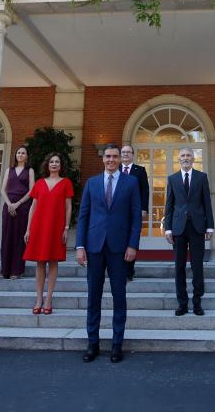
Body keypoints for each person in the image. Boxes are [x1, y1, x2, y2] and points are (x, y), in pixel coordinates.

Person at [76, 144, 141, 363]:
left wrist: (133, 245)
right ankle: (92, 343)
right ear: (103, 159)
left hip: (119, 248)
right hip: (94, 247)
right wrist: (80, 246)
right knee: (93, 297)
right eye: (108, 156)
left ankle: (116, 344)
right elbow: (83, 216)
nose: (111, 160)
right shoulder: (92, 183)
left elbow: (136, 217)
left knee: (119, 297)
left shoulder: (131, 183)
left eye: (115, 156)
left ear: (120, 159)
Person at [163, 147, 214, 316]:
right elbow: (169, 205)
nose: (185, 158)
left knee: (197, 266)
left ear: (193, 159)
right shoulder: (172, 179)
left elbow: (207, 203)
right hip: (178, 228)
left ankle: (197, 303)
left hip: (197, 227)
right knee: (179, 267)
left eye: (188, 155)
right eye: (183, 155)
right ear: (179, 159)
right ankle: (182, 304)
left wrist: (210, 226)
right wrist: (168, 228)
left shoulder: (202, 177)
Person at [23, 152, 73, 315]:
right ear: (47, 164)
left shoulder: (66, 183)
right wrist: (28, 229)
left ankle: (49, 299)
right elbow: (33, 207)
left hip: (56, 227)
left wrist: (66, 228)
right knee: (39, 262)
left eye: (57, 162)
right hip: (38, 226)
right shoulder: (39, 183)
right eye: (52, 162)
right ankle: (39, 299)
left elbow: (68, 207)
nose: (54, 164)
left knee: (53, 261)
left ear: (61, 165)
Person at [0, 146, 35, 279]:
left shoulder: (30, 171)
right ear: (15, 155)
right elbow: (3, 190)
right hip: (8, 206)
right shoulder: (9, 170)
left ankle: (17, 270)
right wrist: (9, 204)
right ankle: (5, 271)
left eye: (23, 153)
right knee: (7, 237)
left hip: (23, 206)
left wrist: (18, 204)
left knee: (19, 238)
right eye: (18, 152)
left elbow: (32, 191)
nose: (20, 155)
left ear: (27, 156)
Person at [120, 144, 149, 282]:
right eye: (123, 152)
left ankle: (129, 271)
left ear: (132, 154)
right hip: (118, 212)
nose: (125, 154)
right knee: (119, 240)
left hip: (134, 211)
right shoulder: (115, 169)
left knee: (132, 240)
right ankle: (119, 269)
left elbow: (145, 191)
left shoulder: (140, 170)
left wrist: (144, 209)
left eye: (128, 152)